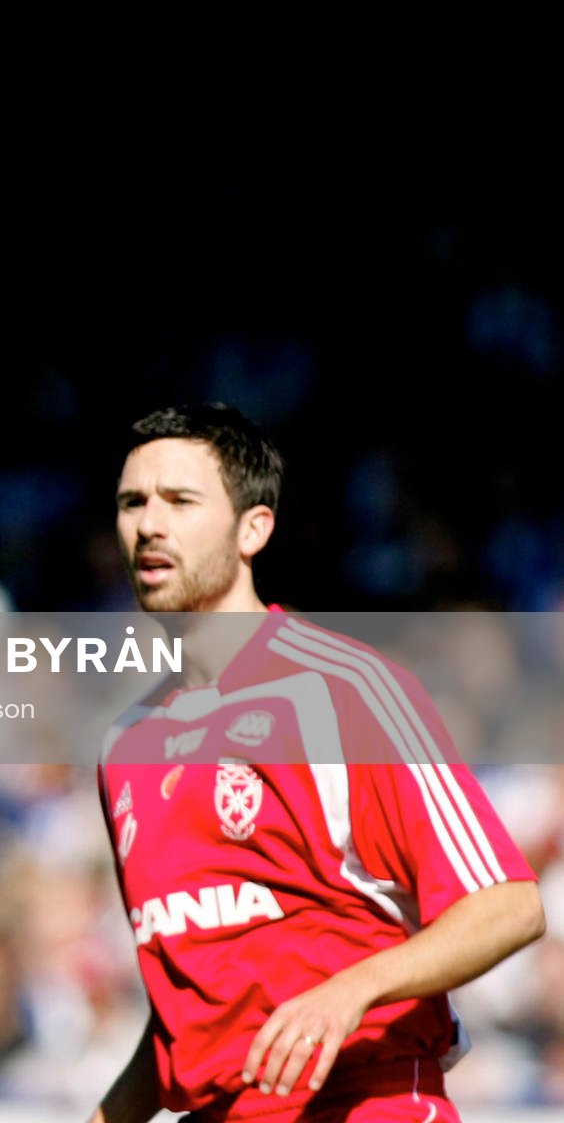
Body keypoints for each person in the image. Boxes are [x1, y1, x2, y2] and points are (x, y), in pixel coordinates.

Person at [90, 404, 545, 1123]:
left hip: (367, 1101)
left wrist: (351, 990)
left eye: (180, 501)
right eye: (132, 502)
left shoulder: (343, 689)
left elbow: (508, 906)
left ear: (253, 529)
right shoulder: (126, 744)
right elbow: (190, 1014)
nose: (149, 523)